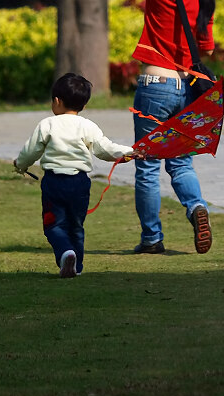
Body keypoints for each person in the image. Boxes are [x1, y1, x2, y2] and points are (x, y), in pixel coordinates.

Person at [98, 0, 216, 255]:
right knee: (180, 163)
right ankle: (197, 208)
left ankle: (152, 239)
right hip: (189, 91)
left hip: (156, 85)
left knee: (147, 166)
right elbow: (206, 47)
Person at [13, 72, 137, 278]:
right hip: (80, 183)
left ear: (56, 101)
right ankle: (76, 266)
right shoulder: (87, 126)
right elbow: (104, 148)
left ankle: (65, 253)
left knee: (53, 225)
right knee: (76, 226)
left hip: (54, 182)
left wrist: (20, 165)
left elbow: (31, 151)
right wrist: (127, 152)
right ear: (84, 106)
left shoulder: (47, 124)